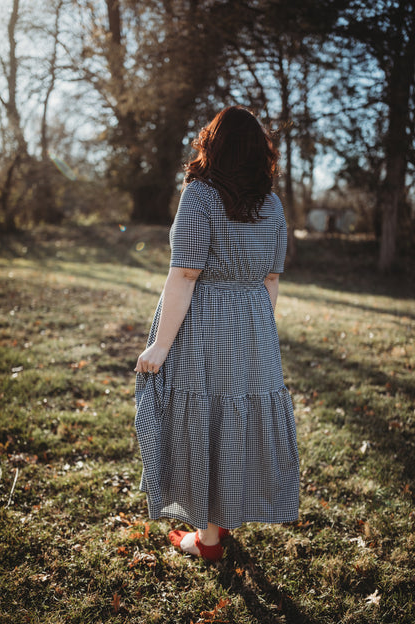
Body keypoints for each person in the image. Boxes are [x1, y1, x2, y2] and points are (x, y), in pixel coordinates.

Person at [134, 106, 299, 562]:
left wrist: (161, 344)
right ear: (257, 153)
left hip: (205, 320)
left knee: (206, 417)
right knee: (235, 418)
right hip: (255, 322)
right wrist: (258, 331)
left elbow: (185, 275)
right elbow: (271, 280)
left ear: (213, 144)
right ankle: (219, 521)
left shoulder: (200, 196)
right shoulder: (273, 204)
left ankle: (207, 541)